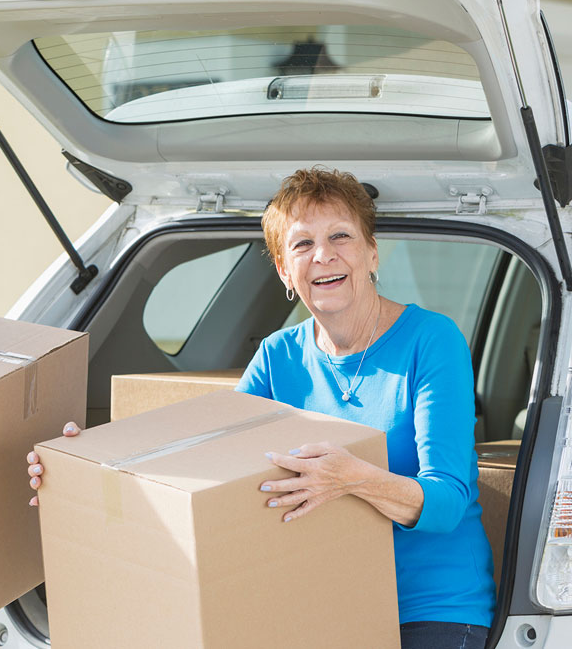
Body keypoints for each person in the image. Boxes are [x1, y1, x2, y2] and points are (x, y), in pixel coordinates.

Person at [27, 167, 494, 649]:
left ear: (372, 252)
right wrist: (85, 475)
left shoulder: (431, 340)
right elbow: (205, 472)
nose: (324, 255)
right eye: (302, 244)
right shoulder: (278, 356)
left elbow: (448, 501)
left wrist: (351, 478)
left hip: (428, 611)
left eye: (341, 236)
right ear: (283, 270)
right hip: (312, 605)